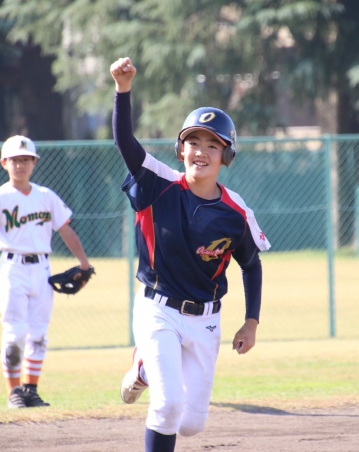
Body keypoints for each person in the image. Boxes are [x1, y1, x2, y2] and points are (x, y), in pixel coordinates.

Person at [110, 57, 271, 451]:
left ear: (226, 156)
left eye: (213, 145)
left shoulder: (235, 212)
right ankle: (148, 365)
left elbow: (251, 265)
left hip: (206, 320)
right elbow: (125, 142)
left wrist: (251, 322)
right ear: (180, 149)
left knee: (191, 424)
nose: (202, 151)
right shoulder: (158, 184)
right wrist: (123, 90)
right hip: (158, 309)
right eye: (193, 142)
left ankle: (144, 369)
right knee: (167, 406)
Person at [0, 135, 91, 409]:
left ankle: (30, 390)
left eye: (26, 159)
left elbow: (66, 230)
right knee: (15, 333)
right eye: (15, 160)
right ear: (4, 163)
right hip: (12, 269)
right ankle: (13, 392)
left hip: (43, 270)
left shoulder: (46, 196)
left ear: (34, 163)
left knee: (38, 333)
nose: (20, 165)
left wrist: (84, 263)